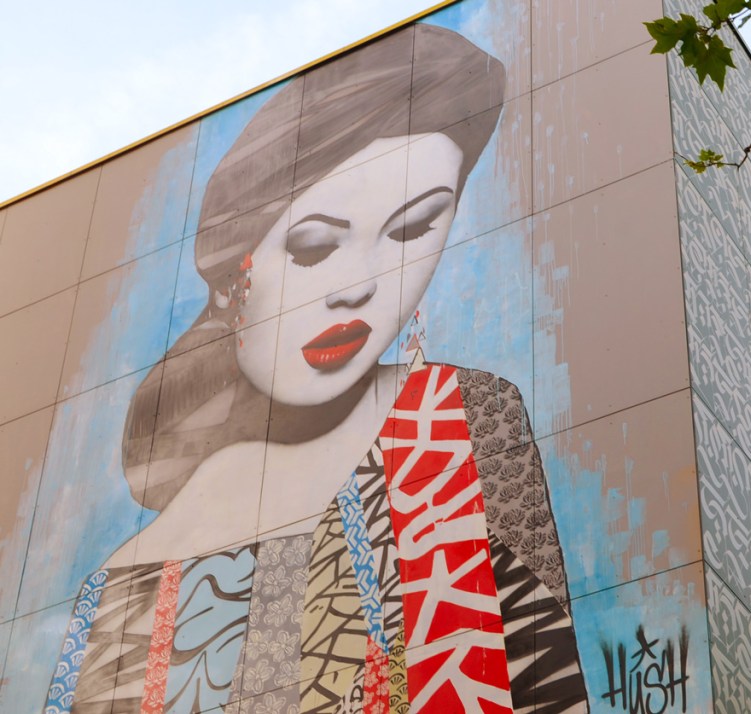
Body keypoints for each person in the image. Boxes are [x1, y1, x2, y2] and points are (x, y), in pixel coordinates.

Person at [45, 23, 588, 714]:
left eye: (413, 228)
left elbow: (543, 691)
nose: (359, 286)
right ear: (230, 275)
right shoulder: (124, 587)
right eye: (313, 246)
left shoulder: (455, 422)